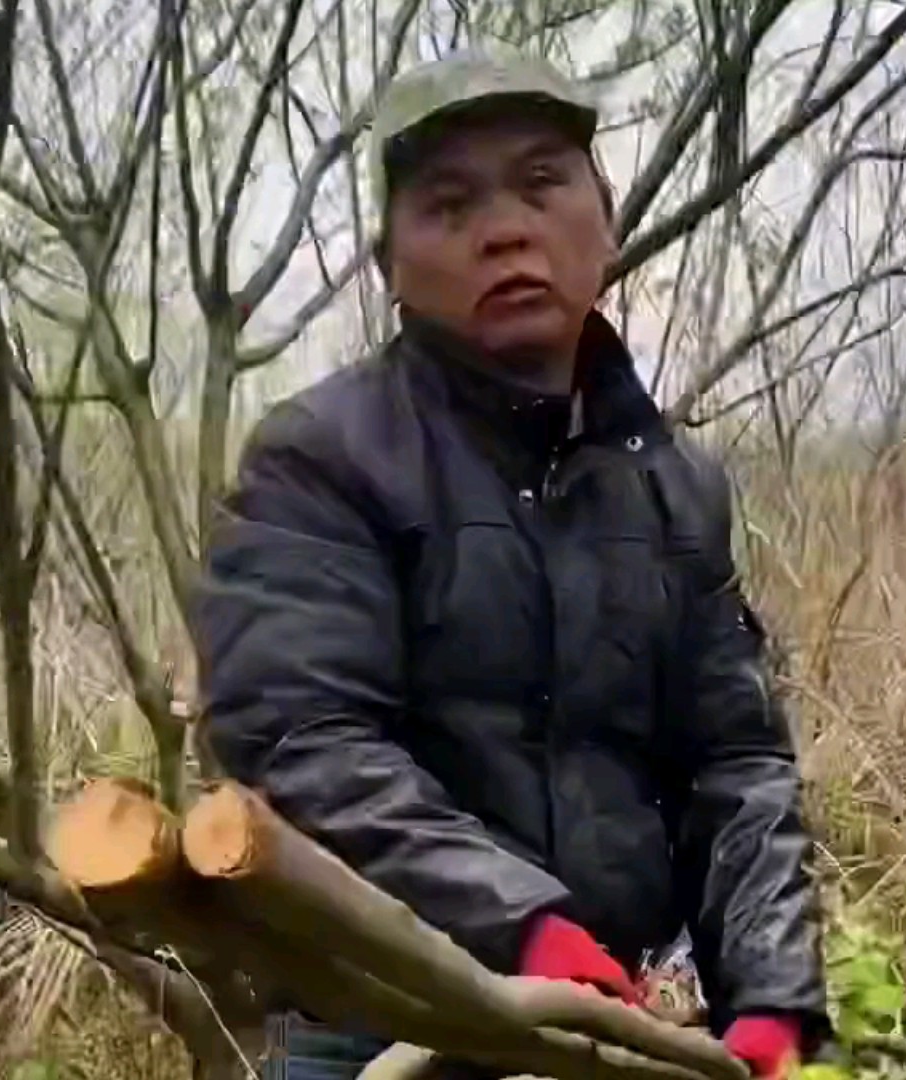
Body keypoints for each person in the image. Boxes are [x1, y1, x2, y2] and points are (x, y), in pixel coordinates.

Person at [195, 50, 830, 1080]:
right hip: (381, 1015)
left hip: (611, 1025)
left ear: (606, 224)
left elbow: (735, 760)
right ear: (389, 267)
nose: (505, 229)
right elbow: (302, 739)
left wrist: (767, 998)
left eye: (542, 184)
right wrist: (525, 929)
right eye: (449, 205)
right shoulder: (322, 457)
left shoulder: (673, 485)